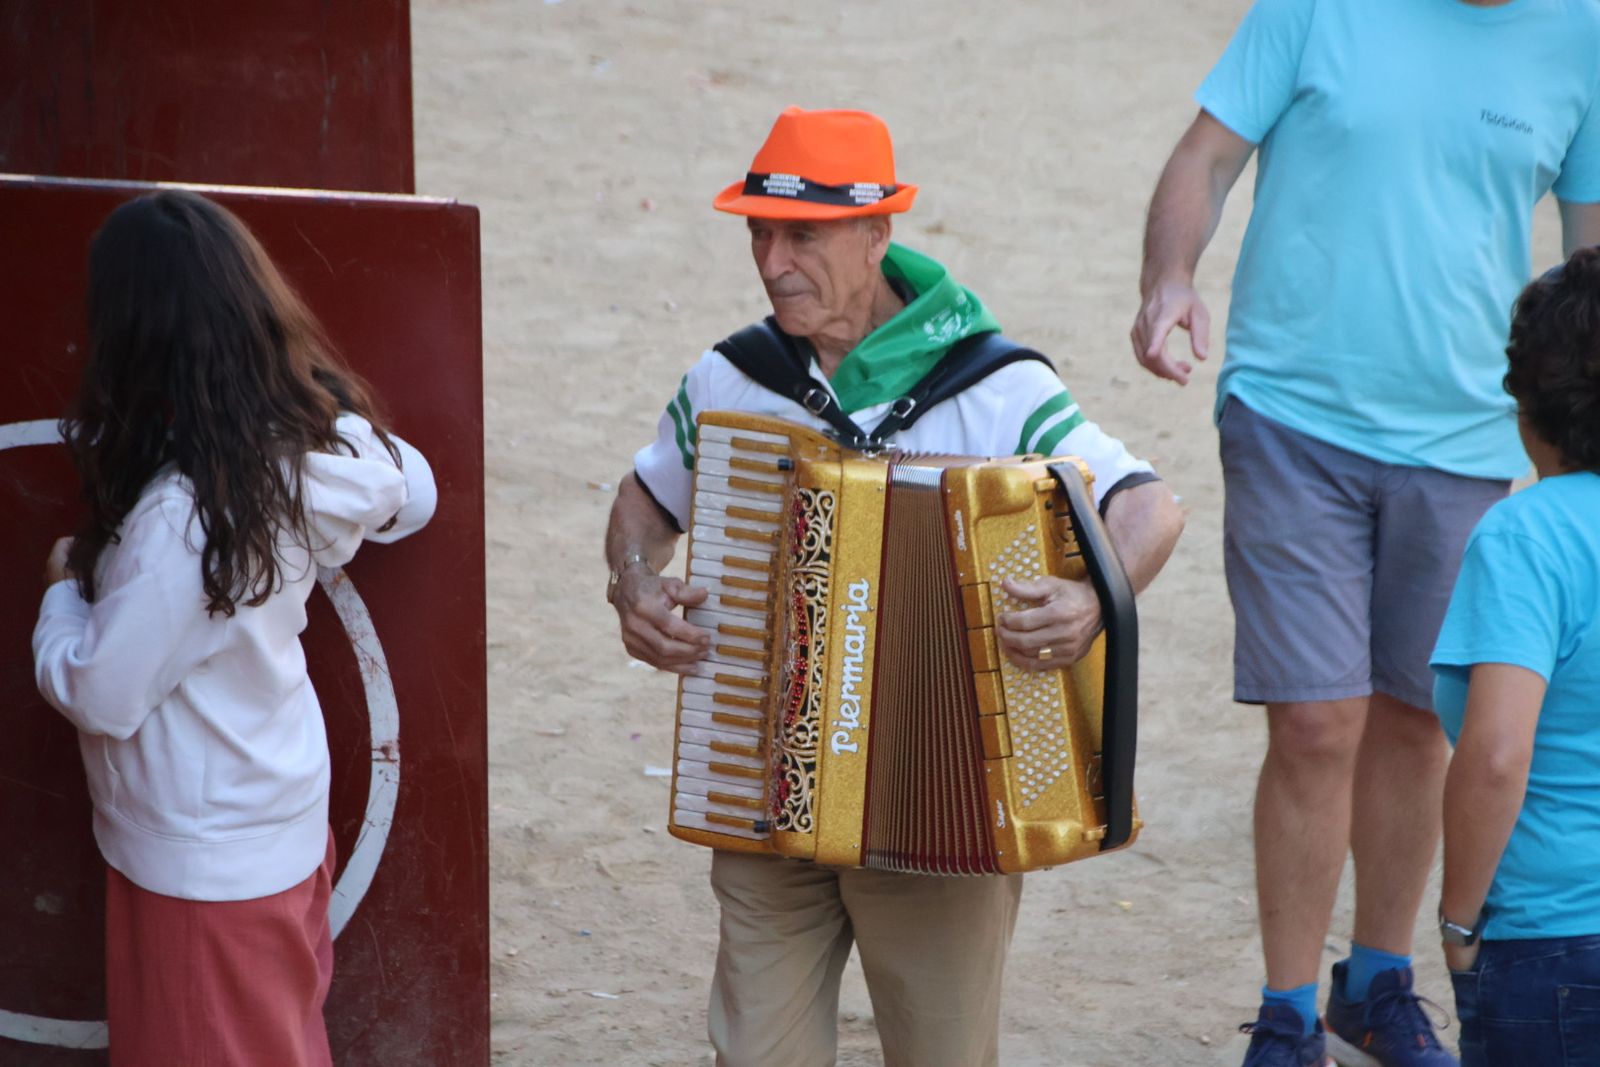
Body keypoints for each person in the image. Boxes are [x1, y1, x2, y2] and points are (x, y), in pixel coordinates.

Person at [604, 105, 1184, 1067]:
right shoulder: (731, 378)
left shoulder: (994, 389)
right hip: (763, 792)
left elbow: (1148, 504)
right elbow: (644, 499)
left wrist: (1092, 600)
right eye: (760, 232)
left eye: (803, 235)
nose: (773, 261)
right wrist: (633, 584)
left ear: (878, 234)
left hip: (939, 821)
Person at [1128, 1, 1600, 1064]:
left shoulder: (1582, 35)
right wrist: (1167, 278)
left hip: (1471, 434)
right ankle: (1287, 1008)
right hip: (1290, 412)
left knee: (1415, 713)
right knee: (1313, 720)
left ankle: (1377, 980)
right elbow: (1205, 157)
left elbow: (1591, 258)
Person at [31, 189, 437, 1066]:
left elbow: (103, 692)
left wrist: (64, 596)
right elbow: (418, 486)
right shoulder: (307, 453)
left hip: (199, 863)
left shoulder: (183, 514)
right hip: (277, 828)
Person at [1430, 247, 1600, 1067]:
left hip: (1554, 941)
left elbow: (1496, 755)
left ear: (1527, 397)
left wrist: (1460, 923)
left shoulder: (1526, 535)